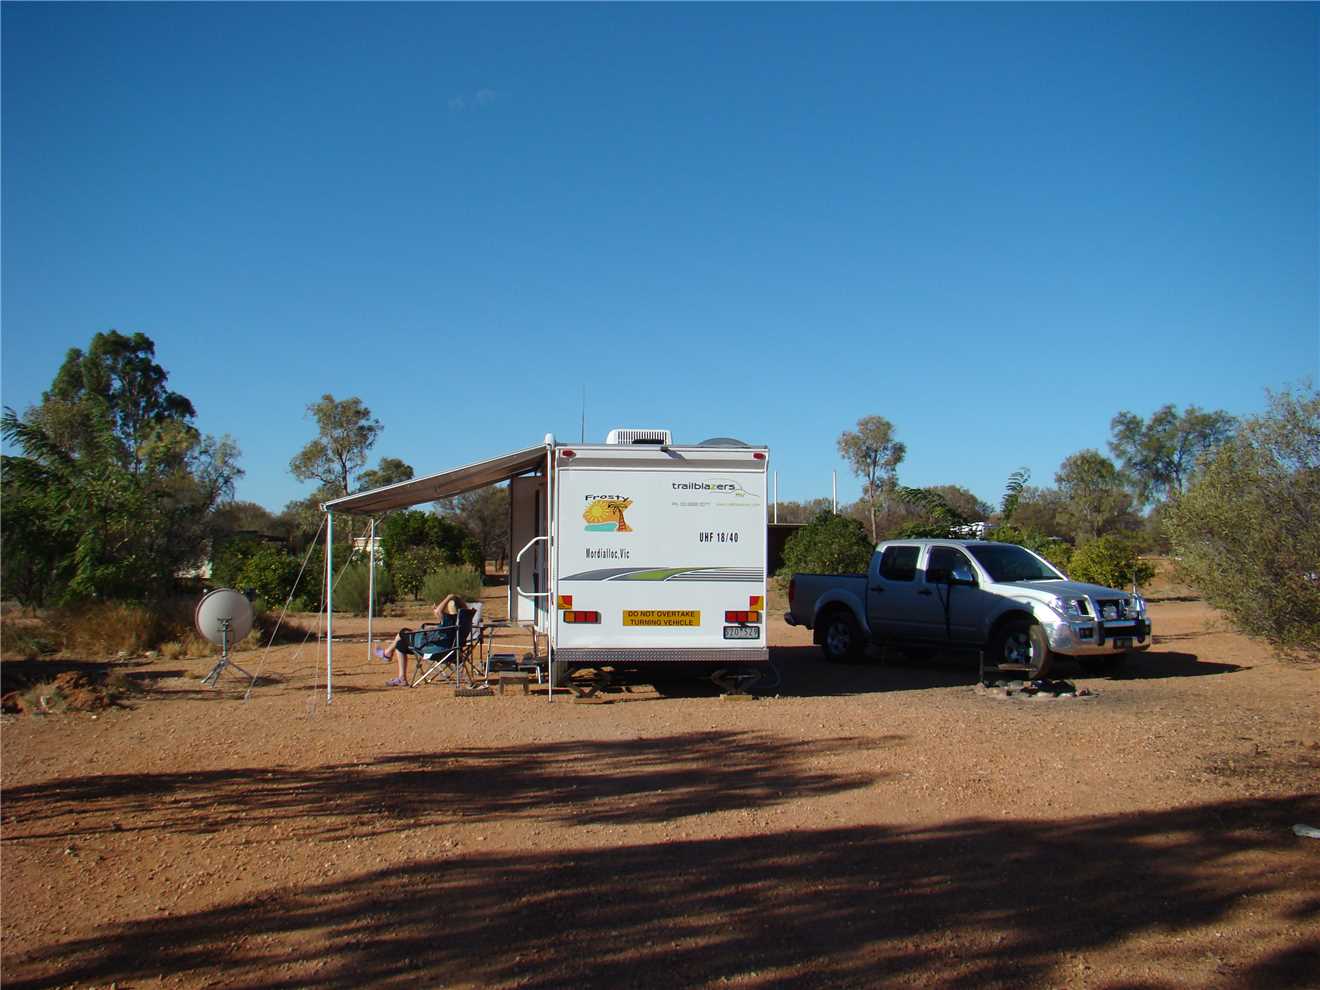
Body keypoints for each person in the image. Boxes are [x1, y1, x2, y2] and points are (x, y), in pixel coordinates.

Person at [377, 594, 469, 686]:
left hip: (439, 651)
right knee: (401, 643)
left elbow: (438, 611)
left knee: (402, 634)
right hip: (456, 653)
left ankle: (393, 663)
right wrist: (458, 599)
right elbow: (445, 626)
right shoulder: (464, 621)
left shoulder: (449, 619)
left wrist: (449, 597)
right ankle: (388, 654)